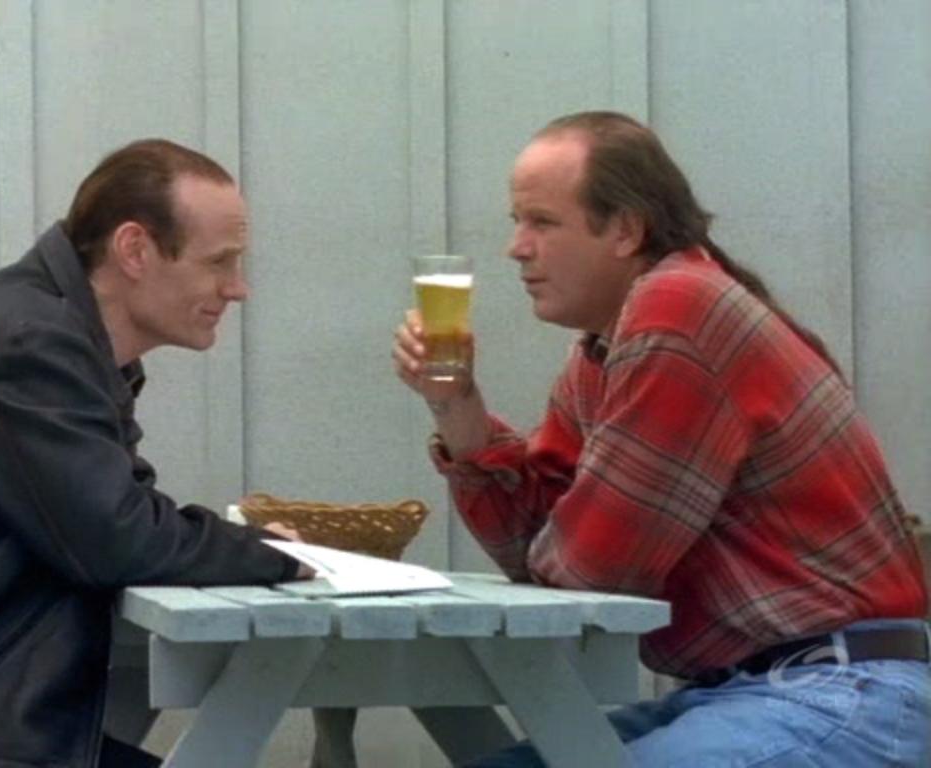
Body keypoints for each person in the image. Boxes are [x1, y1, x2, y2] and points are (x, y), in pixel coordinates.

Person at [392, 111, 930, 766]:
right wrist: (456, 405)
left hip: (839, 693)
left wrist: (558, 540)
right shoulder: (603, 349)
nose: (517, 248)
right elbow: (538, 557)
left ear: (626, 229)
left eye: (542, 222)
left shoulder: (678, 312)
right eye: (516, 222)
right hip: (749, 693)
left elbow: (593, 574)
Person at [0, 139, 310, 768]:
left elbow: (117, 516)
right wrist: (274, 556)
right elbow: (119, 537)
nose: (238, 289)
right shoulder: (28, 342)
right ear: (135, 250)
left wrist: (250, 547)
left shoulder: (59, 334)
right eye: (218, 262)